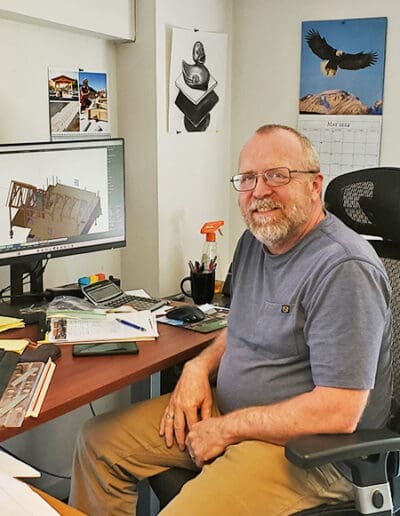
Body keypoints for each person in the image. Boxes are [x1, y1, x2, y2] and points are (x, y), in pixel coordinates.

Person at [69, 124, 392, 515]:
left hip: (310, 453)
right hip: (229, 414)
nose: (259, 191)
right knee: (99, 444)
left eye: (277, 175)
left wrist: (228, 429)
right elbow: (237, 328)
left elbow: (337, 412)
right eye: (248, 179)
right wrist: (197, 368)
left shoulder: (344, 268)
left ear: (314, 185)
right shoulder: (254, 243)